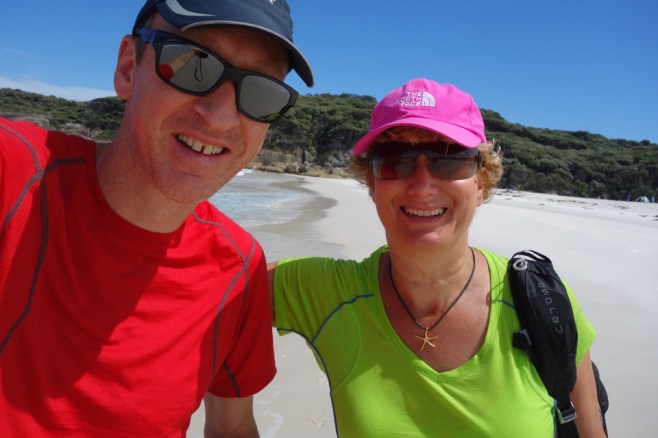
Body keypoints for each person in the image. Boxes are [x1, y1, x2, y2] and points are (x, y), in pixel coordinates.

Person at [0, 0, 313, 436]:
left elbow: (233, 429)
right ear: (129, 67)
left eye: (261, 92)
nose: (221, 117)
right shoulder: (14, 175)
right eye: (193, 64)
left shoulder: (239, 269)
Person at [269, 78, 606, 437]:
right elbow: (225, 280)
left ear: (481, 182)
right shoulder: (327, 294)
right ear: (373, 184)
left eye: (448, 159)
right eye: (395, 161)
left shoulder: (541, 301)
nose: (422, 185)